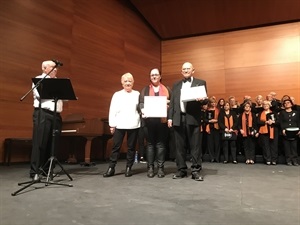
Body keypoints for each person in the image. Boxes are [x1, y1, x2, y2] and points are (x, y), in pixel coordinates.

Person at [168, 62, 206, 181]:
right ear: (181, 71)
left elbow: (205, 102)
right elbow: (173, 103)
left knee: (195, 146)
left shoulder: (201, 82)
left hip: (193, 117)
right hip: (178, 118)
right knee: (179, 146)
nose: (186, 70)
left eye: (188, 68)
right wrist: (170, 118)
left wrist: (202, 100)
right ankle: (181, 170)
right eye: (184, 69)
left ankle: (195, 170)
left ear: (193, 70)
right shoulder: (176, 84)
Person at [30, 60, 63, 179]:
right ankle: (35, 171)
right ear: (44, 68)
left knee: (53, 144)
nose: (55, 69)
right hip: (43, 113)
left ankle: (47, 170)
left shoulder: (59, 82)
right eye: (52, 67)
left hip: (56, 115)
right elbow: (39, 95)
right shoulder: (39, 79)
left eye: (56, 68)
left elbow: (65, 97)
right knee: (40, 142)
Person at [103, 73, 140, 177]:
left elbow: (141, 108)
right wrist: (112, 125)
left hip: (134, 124)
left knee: (131, 147)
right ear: (121, 83)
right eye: (125, 81)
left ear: (133, 82)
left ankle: (129, 167)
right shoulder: (117, 94)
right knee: (116, 147)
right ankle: (111, 167)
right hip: (119, 124)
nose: (127, 83)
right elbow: (112, 110)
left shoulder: (137, 94)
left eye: (130, 81)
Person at [139, 68, 171, 178]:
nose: (154, 76)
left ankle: (161, 168)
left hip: (162, 122)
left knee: (161, 145)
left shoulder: (167, 89)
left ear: (160, 76)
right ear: (150, 77)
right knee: (150, 145)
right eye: (152, 75)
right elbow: (141, 103)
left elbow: (172, 103)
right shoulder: (145, 90)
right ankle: (150, 168)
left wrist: (168, 103)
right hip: (149, 122)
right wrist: (143, 110)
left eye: (156, 74)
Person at [278, 97, 300, 166]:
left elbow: (298, 121)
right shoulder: (282, 113)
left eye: (288, 103)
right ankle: (288, 160)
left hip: (295, 131)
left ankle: (295, 160)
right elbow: (281, 122)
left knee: (294, 146)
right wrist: (283, 129)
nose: (287, 104)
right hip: (286, 131)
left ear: (291, 104)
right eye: (285, 103)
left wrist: (299, 129)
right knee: (287, 147)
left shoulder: (296, 112)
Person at [257, 100, 279, 165]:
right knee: (266, 146)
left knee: (274, 146)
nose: (265, 106)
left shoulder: (274, 113)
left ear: (269, 106)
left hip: (273, 131)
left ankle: (274, 160)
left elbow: (278, 122)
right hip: (264, 131)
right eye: (264, 105)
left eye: (267, 105)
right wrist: (265, 122)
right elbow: (258, 122)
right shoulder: (260, 113)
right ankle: (268, 159)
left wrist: (273, 122)